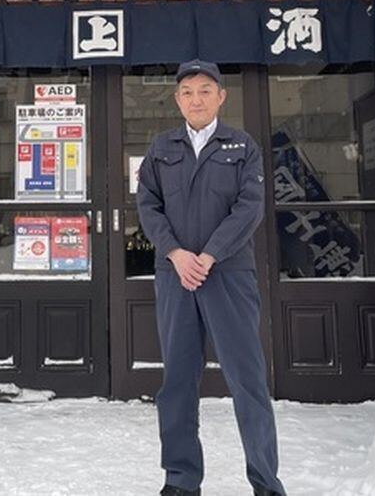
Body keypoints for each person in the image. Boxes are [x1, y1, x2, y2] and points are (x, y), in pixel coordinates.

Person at [136, 59, 285, 496]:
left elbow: (249, 207)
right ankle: (180, 481)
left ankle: (266, 482)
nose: (195, 99)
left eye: (204, 90)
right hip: (176, 276)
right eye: (187, 92)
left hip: (229, 275)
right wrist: (177, 254)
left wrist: (210, 254)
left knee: (248, 380)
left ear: (221, 96)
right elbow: (148, 206)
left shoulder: (242, 147)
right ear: (177, 99)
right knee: (177, 383)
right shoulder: (161, 147)